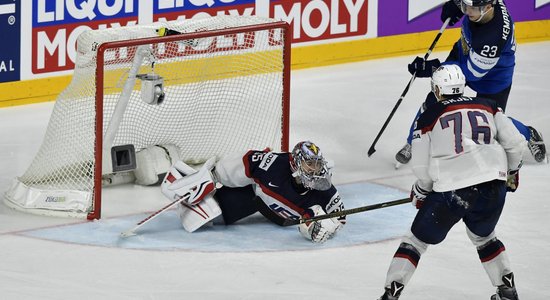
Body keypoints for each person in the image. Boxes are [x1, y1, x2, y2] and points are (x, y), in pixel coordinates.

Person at [377, 65, 525, 300]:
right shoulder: (489, 105)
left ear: (437, 89)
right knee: (486, 238)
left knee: (415, 242)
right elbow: (516, 144)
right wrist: (512, 172)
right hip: (493, 184)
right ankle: (507, 290)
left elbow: (420, 167)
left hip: (453, 190)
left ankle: (391, 294)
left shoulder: (428, 114)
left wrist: (422, 190)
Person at [396, 0, 546, 165]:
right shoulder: (484, 4)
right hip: (463, 54)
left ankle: (528, 132)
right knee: (433, 101)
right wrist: (455, 3)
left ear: (488, 7)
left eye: (472, 8)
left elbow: (470, 73)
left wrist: (433, 68)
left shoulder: (492, 39)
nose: (467, 11)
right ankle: (412, 142)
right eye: (465, 5)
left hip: (492, 77)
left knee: (491, 121)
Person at [160, 141, 346, 243]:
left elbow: (340, 218)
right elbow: (248, 161)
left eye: (317, 164)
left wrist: (321, 227)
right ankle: (184, 182)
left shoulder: (325, 189)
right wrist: (214, 176)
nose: (314, 169)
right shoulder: (273, 165)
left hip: (282, 218)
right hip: (258, 197)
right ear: (295, 164)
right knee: (211, 216)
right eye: (309, 164)